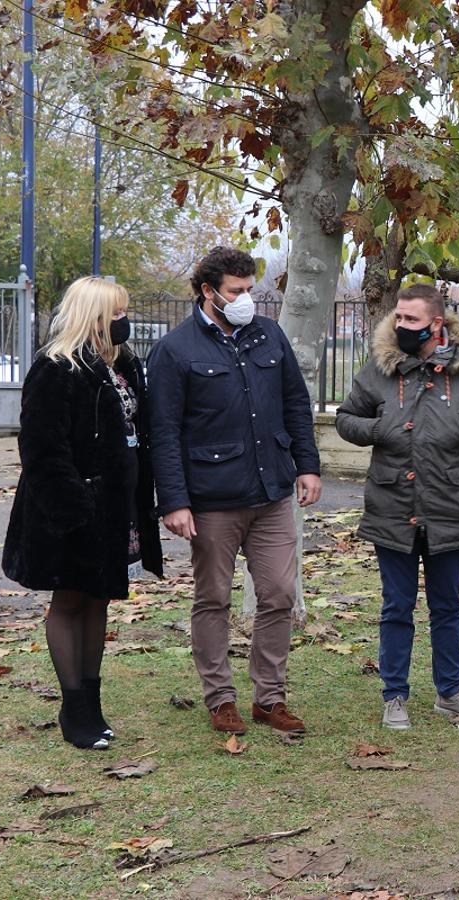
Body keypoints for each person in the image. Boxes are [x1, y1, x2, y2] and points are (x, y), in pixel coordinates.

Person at [147, 246, 321, 736]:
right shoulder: (175, 349)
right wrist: (174, 501)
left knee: (279, 594)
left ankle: (270, 697)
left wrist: (307, 467)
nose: (246, 299)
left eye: (250, 289)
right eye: (236, 291)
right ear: (208, 291)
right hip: (211, 498)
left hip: (272, 493)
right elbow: (163, 431)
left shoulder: (269, 334)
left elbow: (294, 402)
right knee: (213, 599)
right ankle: (220, 698)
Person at [335, 283, 459, 729]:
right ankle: (394, 695)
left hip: (450, 505)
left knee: (446, 606)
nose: (401, 325)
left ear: (437, 323)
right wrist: (381, 430)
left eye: (411, 320)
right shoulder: (378, 369)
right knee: (396, 607)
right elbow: (345, 419)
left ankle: (450, 693)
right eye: (398, 317)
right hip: (391, 506)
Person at [3, 276, 163, 750]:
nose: (123, 321)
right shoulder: (56, 367)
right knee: (70, 600)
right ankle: (74, 708)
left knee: (99, 599)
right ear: (92, 316)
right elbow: (41, 449)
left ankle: (91, 702)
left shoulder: (124, 366)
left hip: (116, 507)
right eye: (116, 313)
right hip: (71, 511)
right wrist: (74, 511)